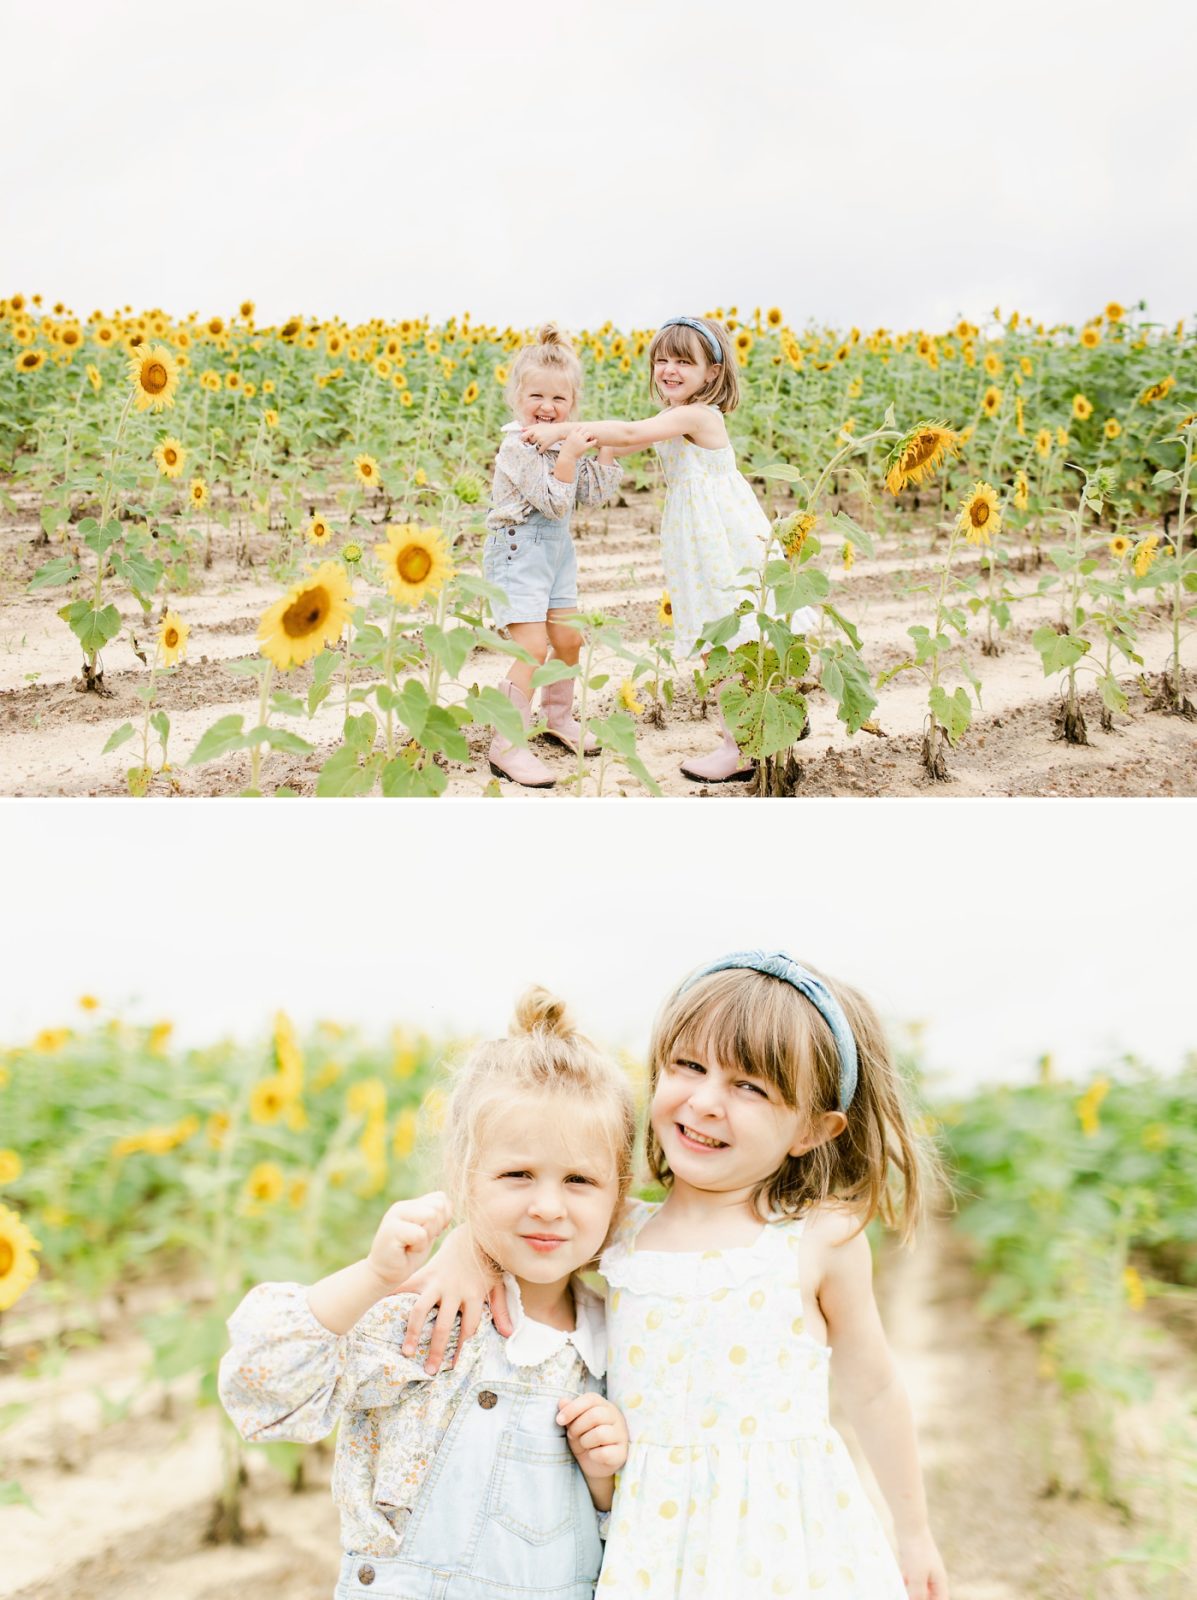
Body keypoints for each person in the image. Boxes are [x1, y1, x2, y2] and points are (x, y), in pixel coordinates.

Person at [404, 951, 950, 1600]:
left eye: (749, 1086)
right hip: (656, 1539)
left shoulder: (815, 1241)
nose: (706, 1101)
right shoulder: (618, 1230)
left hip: (785, 1535)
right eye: (688, 1066)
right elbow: (528, 1232)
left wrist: (912, 1532)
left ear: (811, 1129)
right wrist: (467, 1244)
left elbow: (874, 1391)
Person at [218, 987, 637, 1600]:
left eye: (579, 1180)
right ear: (466, 1179)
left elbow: (633, 1534)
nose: (547, 1206)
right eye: (517, 1174)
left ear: (619, 1197)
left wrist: (603, 1477)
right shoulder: (433, 1317)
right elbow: (260, 1385)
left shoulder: (620, 1337)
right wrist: (374, 1277)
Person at [522, 315, 818, 783]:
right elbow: (626, 440)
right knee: (720, 635)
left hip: (719, 539)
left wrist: (563, 432)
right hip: (700, 540)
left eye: (684, 361)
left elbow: (631, 434)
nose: (669, 369)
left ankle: (739, 745)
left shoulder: (700, 415)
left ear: (713, 373)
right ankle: (759, 728)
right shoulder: (672, 416)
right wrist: (590, 449)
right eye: (662, 360)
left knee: (722, 634)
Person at [484, 325, 622, 787]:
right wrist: (569, 456)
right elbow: (555, 501)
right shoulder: (516, 447)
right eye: (536, 396)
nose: (547, 407)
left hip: (557, 555)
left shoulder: (565, 441)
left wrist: (607, 448)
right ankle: (506, 743)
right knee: (531, 646)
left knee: (567, 640)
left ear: (573, 404)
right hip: (518, 551)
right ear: (516, 397)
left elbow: (592, 495)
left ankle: (558, 717)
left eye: (559, 400)